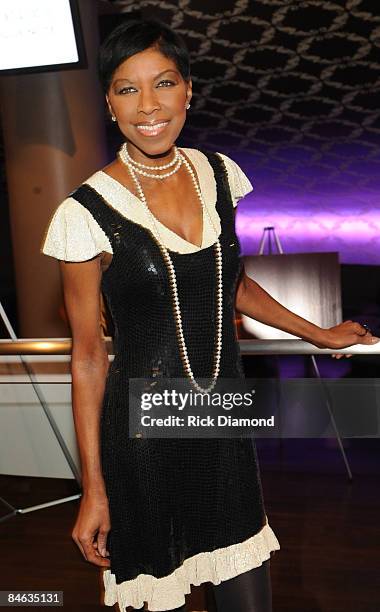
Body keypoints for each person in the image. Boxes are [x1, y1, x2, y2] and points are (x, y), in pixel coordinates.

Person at [40, 18, 378, 612]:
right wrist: (93, 489)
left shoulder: (219, 175)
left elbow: (232, 283)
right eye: (127, 88)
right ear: (109, 103)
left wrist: (318, 333)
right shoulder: (85, 209)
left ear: (189, 90)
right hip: (141, 437)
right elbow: (89, 355)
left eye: (163, 83)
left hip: (219, 425)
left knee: (249, 595)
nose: (148, 105)